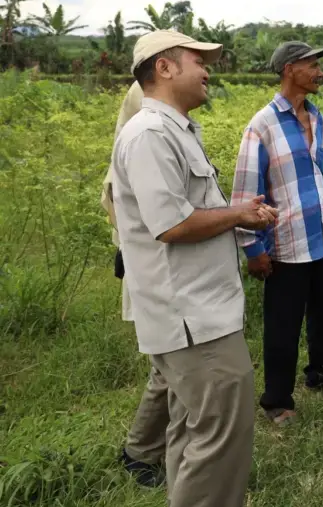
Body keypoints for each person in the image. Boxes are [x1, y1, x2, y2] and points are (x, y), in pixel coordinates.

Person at [111, 30, 277, 506]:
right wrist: (240, 214)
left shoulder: (176, 131)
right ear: (164, 68)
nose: (208, 70)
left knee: (190, 434)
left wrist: (234, 212)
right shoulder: (149, 135)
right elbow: (171, 224)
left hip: (200, 313)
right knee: (220, 440)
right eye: (198, 60)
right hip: (192, 320)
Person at [231, 41, 323, 426]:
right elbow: (246, 192)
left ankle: (322, 374)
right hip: (286, 241)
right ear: (289, 69)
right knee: (284, 322)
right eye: (312, 64)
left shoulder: (318, 118)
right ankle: (277, 400)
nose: (320, 71)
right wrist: (252, 247)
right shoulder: (261, 125)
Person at [102, 81, 168, 487]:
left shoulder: (161, 138)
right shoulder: (141, 143)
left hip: (165, 271)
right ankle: (139, 452)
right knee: (167, 366)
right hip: (152, 270)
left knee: (171, 365)